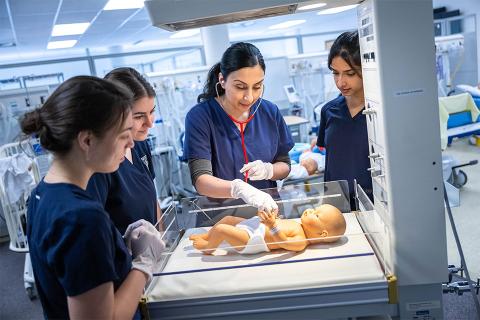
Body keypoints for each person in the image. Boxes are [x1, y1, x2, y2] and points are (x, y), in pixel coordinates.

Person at [21, 76, 165, 319]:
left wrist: (117, 247)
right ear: (87, 141)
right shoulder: (83, 217)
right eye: (123, 135)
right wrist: (143, 264)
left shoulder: (42, 194)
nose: (131, 142)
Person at [184, 42, 294, 213]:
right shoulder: (201, 117)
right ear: (222, 80)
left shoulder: (270, 112)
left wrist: (268, 170)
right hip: (222, 218)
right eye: (240, 87)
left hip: (268, 213)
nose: (249, 97)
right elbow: (201, 180)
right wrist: (237, 188)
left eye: (257, 87)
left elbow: (285, 165)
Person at [87, 67, 160, 235]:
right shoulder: (100, 166)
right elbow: (95, 231)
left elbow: (152, 200)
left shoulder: (140, 144)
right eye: (139, 116)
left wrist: (164, 244)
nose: (149, 123)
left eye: (152, 112)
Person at [316, 31, 373, 209]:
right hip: (337, 204)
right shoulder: (329, 111)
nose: (341, 82)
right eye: (335, 73)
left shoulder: (378, 114)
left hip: (373, 203)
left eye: (349, 73)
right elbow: (332, 161)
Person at [190, 204, 346, 255]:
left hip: (252, 240)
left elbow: (283, 241)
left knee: (223, 229)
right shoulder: (298, 225)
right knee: (228, 219)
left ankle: (208, 246)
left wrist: (273, 225)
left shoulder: (301, 241)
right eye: (314, 209)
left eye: (316, 215)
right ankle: (208, 235)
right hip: (255, 226)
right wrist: (274, 219)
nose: (310, 211)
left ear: (322, 233)